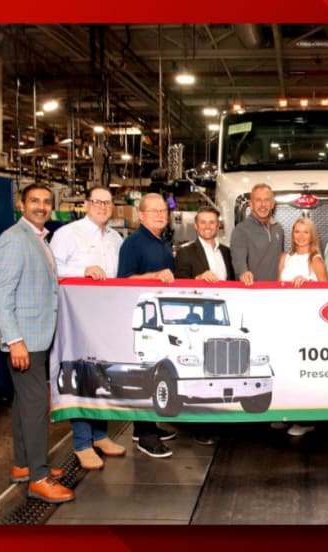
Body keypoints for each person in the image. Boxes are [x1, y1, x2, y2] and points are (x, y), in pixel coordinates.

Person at [0, 184, 74, 504]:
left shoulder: (39, 238)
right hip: (25, 339)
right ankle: (38, 478)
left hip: (36, 336)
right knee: (38, 405)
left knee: (24, 404)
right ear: (21, 204)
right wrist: (15, 341)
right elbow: (0, 294)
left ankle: (23, 464)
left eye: (46, 202)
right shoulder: (14, 240)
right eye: (34, 201)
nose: (41, 206)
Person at [49, 186, 128, 469]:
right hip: (77, 320)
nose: (103, 207)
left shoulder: (116, 239)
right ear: (86, 204)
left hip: (105, 319)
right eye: (97, 201)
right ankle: (82, 443)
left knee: (103, 376)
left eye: (107, 202)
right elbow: (52, 271)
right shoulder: (67, 235)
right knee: (81, 375)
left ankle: (100, 435)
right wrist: (80, 272)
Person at [117, 193, 179, 458]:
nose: (159, 215)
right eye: (152, 211)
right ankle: (145, 435)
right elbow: (124, 280)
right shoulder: (133, 243)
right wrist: (154, 276)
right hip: (144, 322)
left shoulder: (161, 242)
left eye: (163, 210)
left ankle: (146, 425)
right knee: (147, 374)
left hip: (160, 320)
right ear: (140, 215)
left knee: (156, 374)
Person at [173, 206, 234, 445]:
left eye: (212, 222)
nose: (208, 226)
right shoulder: (186, 253)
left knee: (221, 371)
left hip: (222, 320)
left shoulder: (227, 252)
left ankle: (221, 419)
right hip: (196, 324)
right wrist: (196, 280)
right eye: (204, 222)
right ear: (196, 226)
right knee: (199, 372)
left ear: (218, 225)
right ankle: (201, 425)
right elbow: (178, 286)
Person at [274, 217, 328, 437]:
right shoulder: (284, 257)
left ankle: (307, 420)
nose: (300, 236)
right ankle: (288, 414)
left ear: (312, 235)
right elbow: (277, 286)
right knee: (287, 370)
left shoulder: (315, 260)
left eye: (305, 232)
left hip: (308, 324)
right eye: (297, 231)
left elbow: (327, 291)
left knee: (305, 371)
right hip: (286, 320)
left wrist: (308, 284)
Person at [230, 183, 285, 285]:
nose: (263, 205)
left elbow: (281, 261)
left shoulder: (278, 229)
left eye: (267, 200)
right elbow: (239, 262)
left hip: (276, 291)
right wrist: (243, 273)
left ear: (272, 204)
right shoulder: (241, 230)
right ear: (251, 204)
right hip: (253, 291)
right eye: (258, 200)